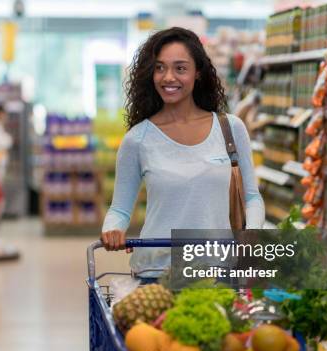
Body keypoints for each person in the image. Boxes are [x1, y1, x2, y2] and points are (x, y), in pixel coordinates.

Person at [100, 27, 265, 278]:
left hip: (218, 272)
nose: (168, 77)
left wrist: (251, 234)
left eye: (180, 68)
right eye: (160, 67)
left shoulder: (230, 129)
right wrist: (112, 228)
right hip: (157, 273)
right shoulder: (138, 139)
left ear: (197, 73)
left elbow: (252, 197)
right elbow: (120, 209)